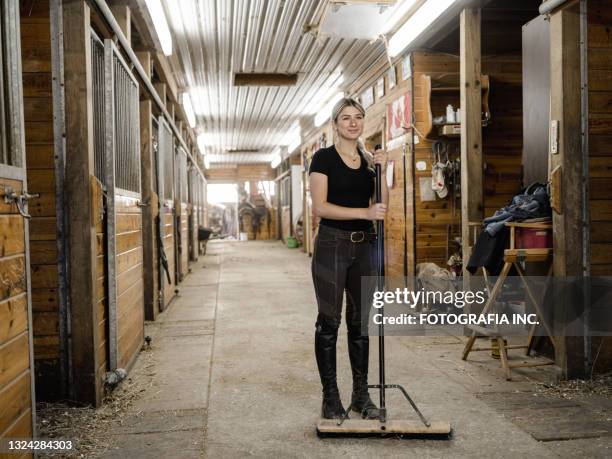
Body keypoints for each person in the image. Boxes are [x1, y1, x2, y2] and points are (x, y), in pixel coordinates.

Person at [308, 97, 388, 420]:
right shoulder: (323, 158)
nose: (353, 123)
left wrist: (382, 168)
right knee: (329, 322)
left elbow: (381, 206)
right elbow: (320, 207)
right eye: (345, 118)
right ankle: (331, 398)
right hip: (332, 245)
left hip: (364, 246)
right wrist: (363, 212)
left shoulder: (368, 161)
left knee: (360, 323)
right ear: (335, 124)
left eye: (358, 117)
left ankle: (360, 395)